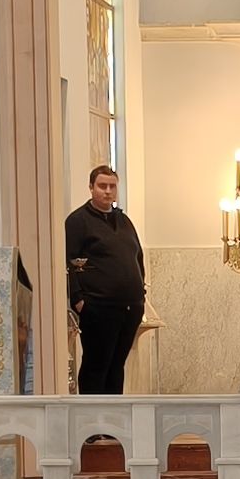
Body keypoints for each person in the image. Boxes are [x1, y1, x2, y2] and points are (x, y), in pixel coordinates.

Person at [65, 162, 146, 395]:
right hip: (97, 307)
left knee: (116, 367)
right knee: (96, 367)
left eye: (112, 186)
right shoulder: (78, 221)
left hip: (129, 306)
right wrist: (78, 299)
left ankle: (112, 424)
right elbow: (67, 261)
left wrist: (141, 292)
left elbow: (137, 256)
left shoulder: (124, 220)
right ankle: (92, 427)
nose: (107, 191)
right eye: (102, 186)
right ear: (91, 187)